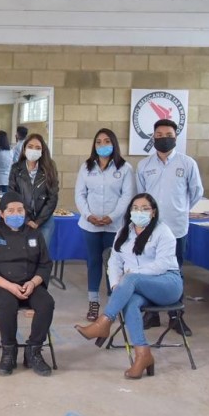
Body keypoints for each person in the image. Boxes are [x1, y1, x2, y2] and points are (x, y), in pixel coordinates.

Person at [75, 193, 183, 380]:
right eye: (135, 208)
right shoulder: (124, 232)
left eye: (145, 208)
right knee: (129, 302)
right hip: (138, 287)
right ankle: (143, 355)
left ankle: (103, 323)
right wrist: (117, 286)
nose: (139, 212)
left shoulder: (163, 231)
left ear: (153, 212)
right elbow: (114, 262)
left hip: (167, 283)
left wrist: (131, 276)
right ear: (130, 211)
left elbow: (162, 265)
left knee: (131, 278)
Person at [136, 119, 203, 336]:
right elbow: (141, 196)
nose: (163, 138)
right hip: (150, 228)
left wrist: (180, 209)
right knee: (149, 269)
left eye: (168, 135)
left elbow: (196, 193)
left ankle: (176, 317)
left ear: (175, 137)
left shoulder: (187, 163)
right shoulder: (144, 165)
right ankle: (152, 315)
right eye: (159, 135)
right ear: (153, 137)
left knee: (175, 271)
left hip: (176, 228)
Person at [0, 192, 54, 377]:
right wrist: (10, 286)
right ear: (2, 213)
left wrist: (33, 283)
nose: (16, 214)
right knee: (8, 303)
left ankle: (33, 351)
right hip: (0, 286)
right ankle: (8, 352)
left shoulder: (35, 234)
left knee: (46, 303)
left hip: (30, 284)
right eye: (10, 210)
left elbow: (45, 264)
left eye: (20, 210)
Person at [75, 129, 135, 322]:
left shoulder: (125, 168)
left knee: (114, 263)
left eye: (107, 141)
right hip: (90, 225)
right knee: (93, 262)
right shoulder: (86, 167)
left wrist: (112, 216)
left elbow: (127, 196)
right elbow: (80, 194)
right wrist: (88, 215)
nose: (102, 145)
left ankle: (113, 303)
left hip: (114, 226)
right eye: (98, 142)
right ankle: (93, 303)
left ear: (114, 143)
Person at [8, 134, 59, 250]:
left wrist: (38, 221)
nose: (33, 150)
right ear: (24, 148)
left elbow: (53, 197)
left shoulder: (50, 168)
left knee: (40, 253)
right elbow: (12, 195)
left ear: (42, 150)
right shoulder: (16, 168)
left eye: (38, 148)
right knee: (21, 252)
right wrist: (27, 220)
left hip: (44, 220)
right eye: (30, 147)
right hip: (21, 218)